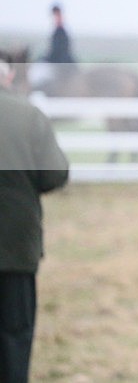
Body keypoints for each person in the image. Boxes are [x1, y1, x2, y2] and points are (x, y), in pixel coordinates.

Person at [0, 56, 69, 382]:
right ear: (8, 76)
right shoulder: (28, 115)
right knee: (14, 333)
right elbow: (54, 175)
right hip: (15, 245)